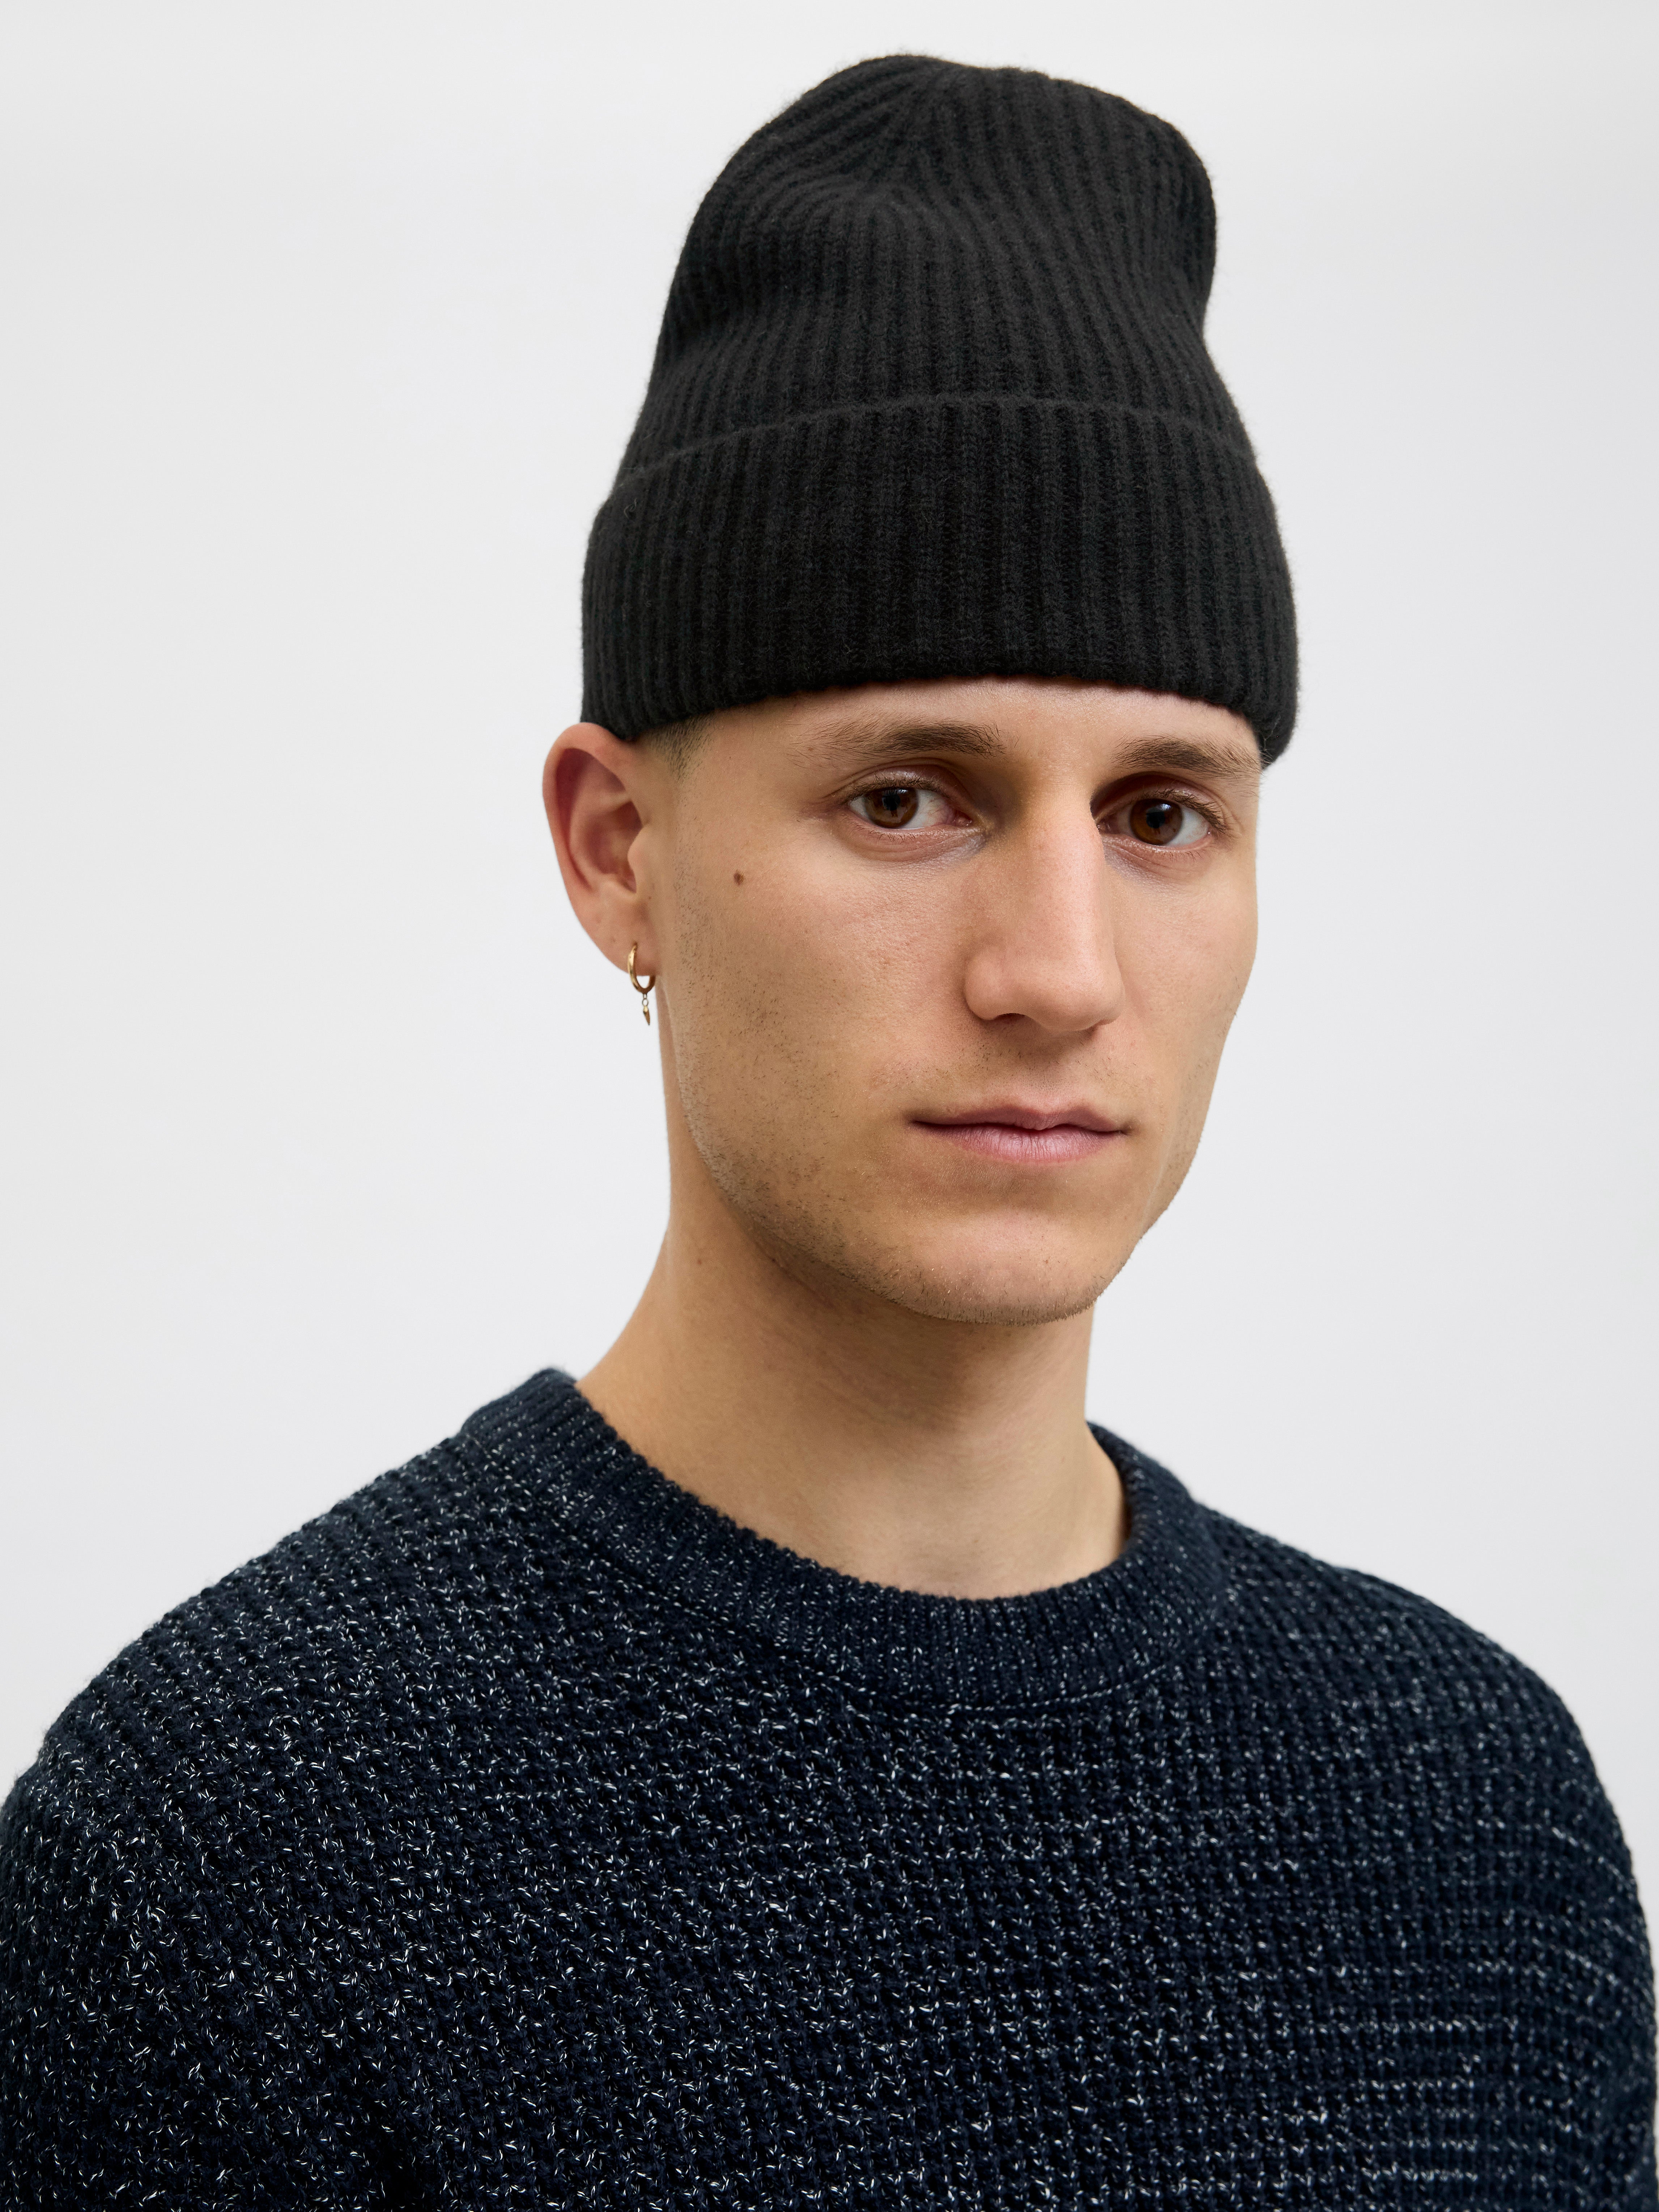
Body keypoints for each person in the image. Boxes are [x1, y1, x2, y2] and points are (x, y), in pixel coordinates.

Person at [1, 52, 1652, 2209]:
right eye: (907, 798)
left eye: (1163, 814)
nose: (1058, 969)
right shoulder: (220, 1874)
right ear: (617, 850)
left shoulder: (1479, 1819)